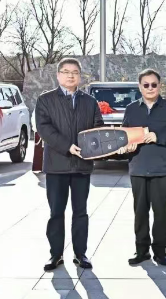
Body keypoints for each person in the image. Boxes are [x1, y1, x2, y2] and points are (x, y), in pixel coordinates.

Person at [35, 58, 104, 272]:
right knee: (56, 212)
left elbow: (98, 128)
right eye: (66, 71)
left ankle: (80, 254)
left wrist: (95, 148)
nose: (70, 75)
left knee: (80, 212)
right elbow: (44, 129)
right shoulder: (45, 100)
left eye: (75, 72)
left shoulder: (89, 102)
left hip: (82, 166)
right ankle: (55, 255)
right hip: (56, 166)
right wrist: (67, 146)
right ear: (58, 75)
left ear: (80, 76)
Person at [121, 69, 166, 266]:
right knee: (140, 212)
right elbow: (124, 134)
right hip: (138, 166)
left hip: (161, 168)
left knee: (160, 212)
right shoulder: (131, 109)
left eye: (154, 84)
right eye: (146, 85)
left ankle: (160, 251)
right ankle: (141, 250)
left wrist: (159, 137)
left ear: (160, 86)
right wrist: (126, 145)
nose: (150, 88)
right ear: (140, 87)